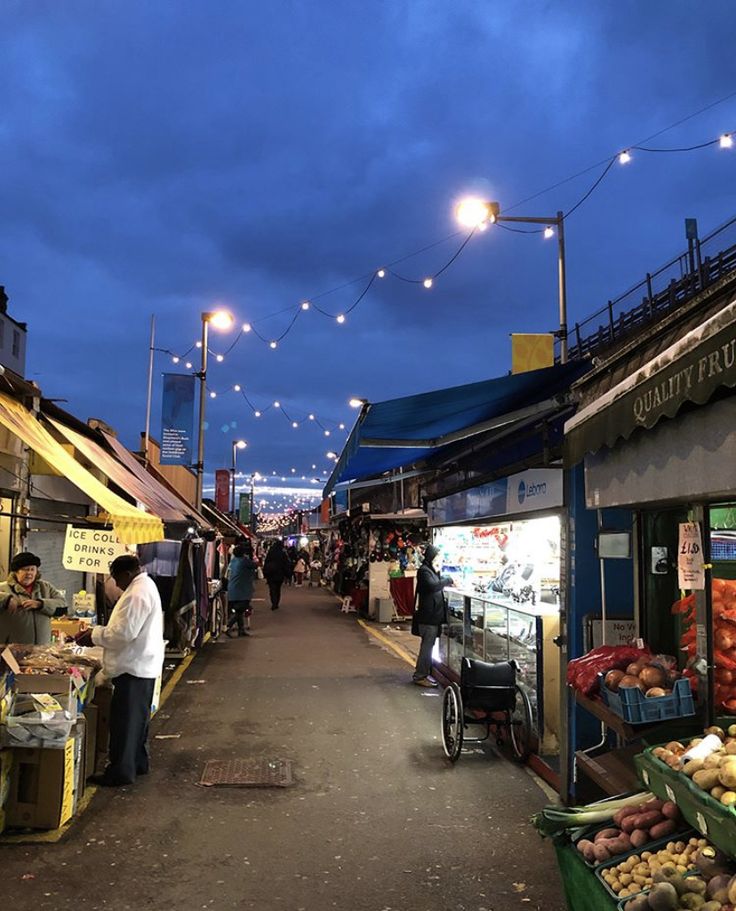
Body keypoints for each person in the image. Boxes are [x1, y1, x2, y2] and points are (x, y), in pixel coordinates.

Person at [75, 554, 164, 787]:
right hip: (141, 665)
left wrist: (93, 636)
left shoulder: (136, 593)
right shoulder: (145, 585)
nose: (115, 584)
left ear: (126, 574)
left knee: (125, 723)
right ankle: (138, 762)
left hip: (133, 668)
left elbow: (123, 633)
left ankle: (121, 772)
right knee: (137, 721)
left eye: (115, 579)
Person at [0, 552, 67, 645]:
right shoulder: (3, 588)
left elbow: (63, 608)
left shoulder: (46, 587)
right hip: (10, 649)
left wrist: (41, 604)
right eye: (25, 569)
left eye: (32, 569)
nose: (29, 573)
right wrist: (6, 599)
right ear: (16, 572)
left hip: (41, 650)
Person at [411, 544, 454, 688]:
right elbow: (433, 586)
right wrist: (448, 580)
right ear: (431, 557)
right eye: (437, 557)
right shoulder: (424, 571)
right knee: (427, 648)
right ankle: (420, 676)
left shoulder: (431, 570)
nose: (439, 560)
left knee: (428, 647)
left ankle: (423, 673)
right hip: (427, 618)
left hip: (432, 617)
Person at [226, 542, 258, 637]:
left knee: (239, 611)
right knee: (241, 609)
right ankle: (227, 627)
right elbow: (255, 565)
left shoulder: (233, 561)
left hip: (232, 589)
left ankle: (241, 630)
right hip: (242, 590)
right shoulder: (244, 561)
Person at [263, 540, 291, 610]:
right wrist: (288, 574)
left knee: (272, 589)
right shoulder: (282, 553)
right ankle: (276, 603)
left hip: (271, 574)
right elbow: (286, 564)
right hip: (279, 574)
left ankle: (273, 602)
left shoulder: (270, 553)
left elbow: (266, 563)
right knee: (278, 589)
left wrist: (265, 573)